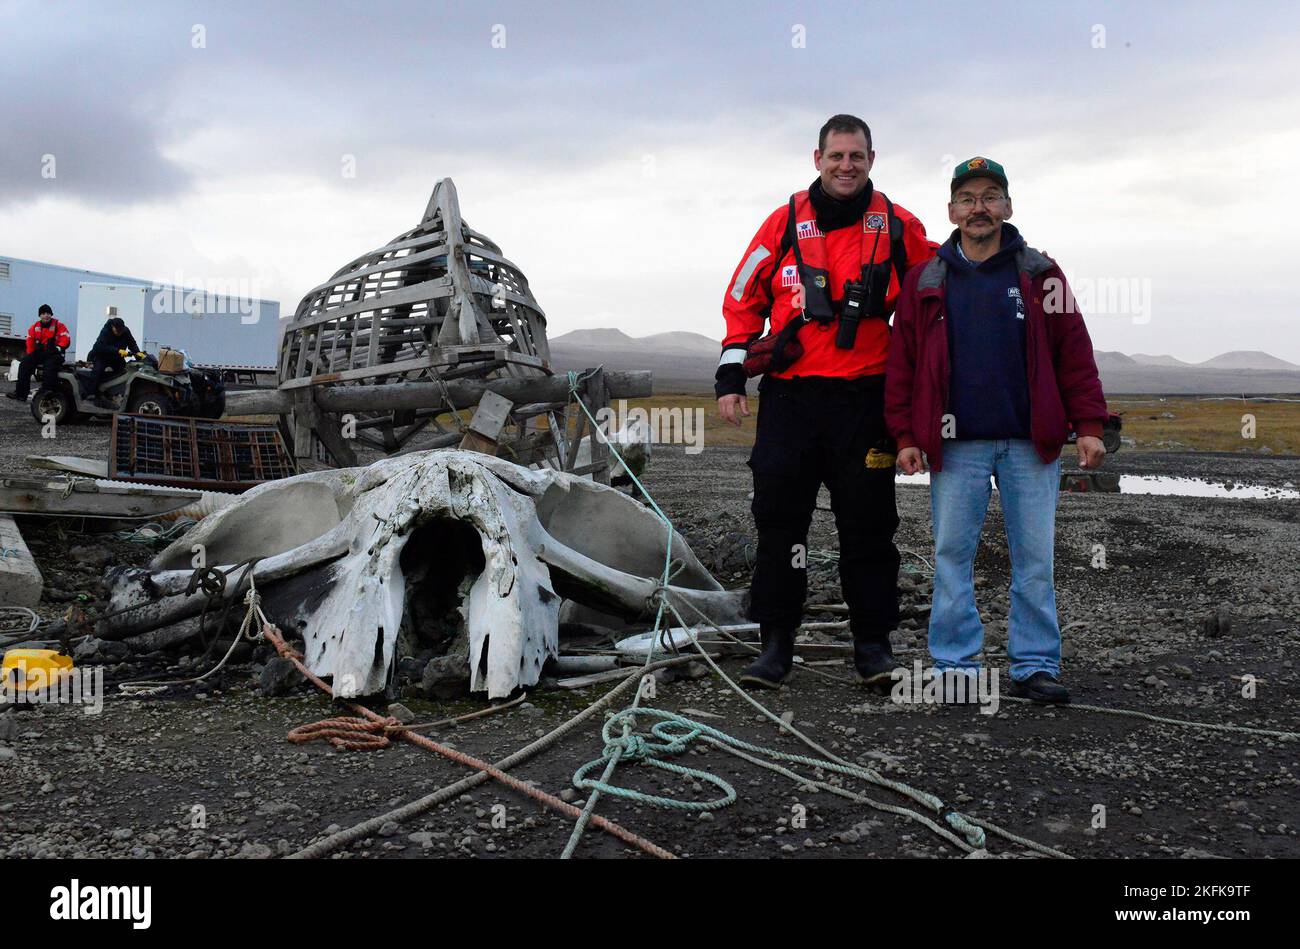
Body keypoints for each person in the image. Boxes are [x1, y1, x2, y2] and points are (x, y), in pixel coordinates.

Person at [716, 114, 937, 690]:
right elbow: (743, 298)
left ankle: (873, 646)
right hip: (792, 400)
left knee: (869, 524)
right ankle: (775, 645)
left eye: (856, 156)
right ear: (817, 159)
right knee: (779, 523)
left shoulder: (898, 225)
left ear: (871, 159)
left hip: (867, 397)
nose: (846, 166)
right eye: (836, 156)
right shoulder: (784, 221)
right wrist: (731, 378)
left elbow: (938, 288)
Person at [884, 156, 1109, 704]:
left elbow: (1073, 352)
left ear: (1008, 206)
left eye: (990, 195)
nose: (978, 207)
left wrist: (1089, 424)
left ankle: (1034, 665)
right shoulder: (925, 280)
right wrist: (905, 437)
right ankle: (955, 668)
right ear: (952, 210)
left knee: (1034, 559)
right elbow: (903, 364)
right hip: (955, 445)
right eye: (967, 198)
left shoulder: (1039, 274)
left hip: (1031, 444)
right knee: (950, 556)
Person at [8, 304, 71, 402]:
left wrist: (58, 348)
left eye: (48, 313)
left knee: (50, 366)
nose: (46, 315)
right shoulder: (35, 327)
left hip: (55, 354)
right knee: (24, 364)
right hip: (42, 353)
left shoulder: (59, 326)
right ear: (40, 315)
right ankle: (21, 394)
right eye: (43, 313)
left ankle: (47, 391)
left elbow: (65, 339)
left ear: (51, 315)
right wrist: (31, 354)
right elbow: (29, 341)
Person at [83, 317, 144, 404]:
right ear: (112, 327)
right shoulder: (105, 331)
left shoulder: (125, 331)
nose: (119, 333)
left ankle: (115, 393)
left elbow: (132, 343)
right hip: (101, 356)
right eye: (117, 330)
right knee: (97, 370)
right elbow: (100, 346)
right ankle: (91, 393)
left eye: (121, 331)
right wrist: (117, 350)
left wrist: (138, 353)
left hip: (116, 358)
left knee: (124, 371)